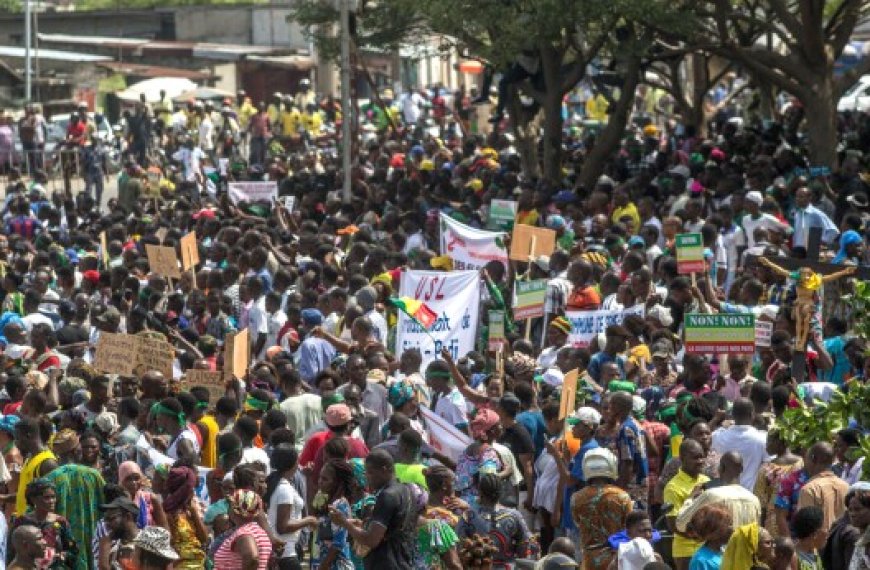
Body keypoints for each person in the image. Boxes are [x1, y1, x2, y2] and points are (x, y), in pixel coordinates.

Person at [330, 449, 416, 569]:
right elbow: (393, 525)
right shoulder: (406, 490)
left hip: (386, 564)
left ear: (384, 470)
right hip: (403, 561)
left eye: (370, 473)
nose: (367, 478)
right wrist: (359, 524)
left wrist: (344, 523)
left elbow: (371, 540)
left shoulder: (387, 496)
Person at [571, 448, 633, 570]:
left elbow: (578, 523)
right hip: (616, 557)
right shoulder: (622, 496)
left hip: (589, 559)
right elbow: (629, 526)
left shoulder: (576, 498)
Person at [456, 472, 536, 567]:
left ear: (480, 491)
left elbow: (459, 547)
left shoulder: (468, 516)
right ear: (501, 491)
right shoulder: (514, 516)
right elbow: (525, 547)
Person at [265, 446, 317, 570]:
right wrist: (308, 520)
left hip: (281, 551)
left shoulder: (275, 482)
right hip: (286, 553)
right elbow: (283, 526)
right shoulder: (284, 489)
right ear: (293, 463)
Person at [9, 479, 77, 569]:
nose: (52, 501)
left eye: (53, 497)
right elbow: (11, 550)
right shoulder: (21, 522)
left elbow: (73, 551)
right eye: (47, 497)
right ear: (33, 499)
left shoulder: (60, 522)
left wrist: (60, 556)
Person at [665, 439, 711, 570]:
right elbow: (673, 525)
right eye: (695, 458)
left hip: (708, 548)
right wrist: (691, 499)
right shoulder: (672, 487)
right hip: (686, 551)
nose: (700, 461)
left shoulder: (707, 480)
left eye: (702, 457)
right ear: (682, 458)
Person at [711, 398, 768, 490]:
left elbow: (704, 439)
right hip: (749, 494)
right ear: (752, 415)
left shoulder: (719, 436)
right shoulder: (762, 439)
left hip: (723, 492)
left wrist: (716, 419)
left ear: (732, 415)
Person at [160, 465, 207, 569]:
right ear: (185, 490)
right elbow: (169, 547)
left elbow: (204, 539)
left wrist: (194, 514)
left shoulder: (189, 511)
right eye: (191, 488)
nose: (193, 492)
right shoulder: (168, 514)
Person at [417, 465, 462, 569]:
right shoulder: (447, 517)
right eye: (453, 482)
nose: (455, 486)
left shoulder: (422, 509)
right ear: (445, 485)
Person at [213, 489, 272, 569]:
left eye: (230, 506)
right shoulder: (259, 532)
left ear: (235, 510)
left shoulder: (244, 533)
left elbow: (252, 558)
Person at [798, 442, 849, 534]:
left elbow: (806, 526)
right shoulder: (846, 486)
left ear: (813, 459)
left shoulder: (810, 489)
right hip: (842, 544)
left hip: (819, 546)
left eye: (806, 458)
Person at [688, 504, 734, 570]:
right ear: (714, 532)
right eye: (728, 525)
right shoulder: (700, 561)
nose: (732, 529)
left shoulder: (724, 551)